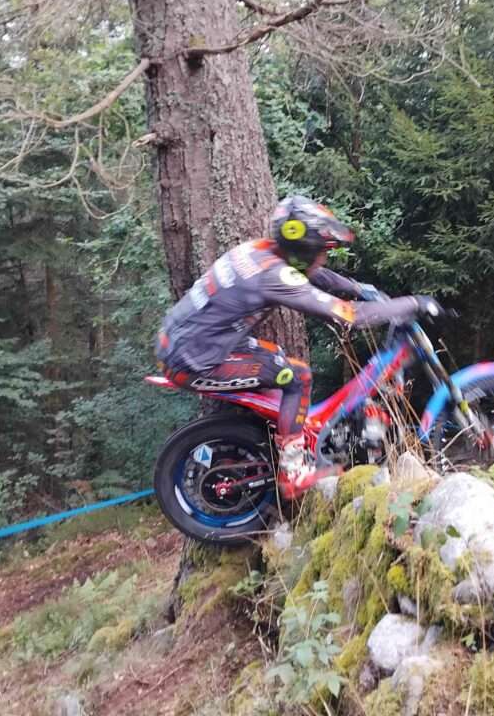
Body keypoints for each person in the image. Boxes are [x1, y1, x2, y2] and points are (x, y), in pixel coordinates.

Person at [155, 195, 441, 498]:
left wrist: (359, 288)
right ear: (304, 250)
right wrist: (415, 303)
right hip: (193, 360)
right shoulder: (273, 275)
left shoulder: (259, 252)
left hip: (192, 343)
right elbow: (351, 316)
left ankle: (284, 436)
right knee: (297, 376)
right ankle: (292, 473)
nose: (324, 258)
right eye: (322, 251)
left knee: (276, 359)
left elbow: (314, 275)